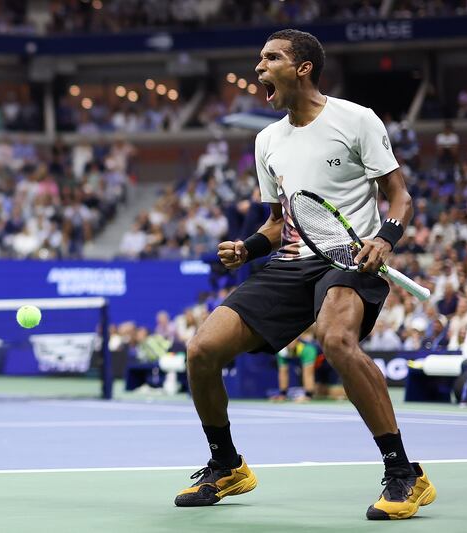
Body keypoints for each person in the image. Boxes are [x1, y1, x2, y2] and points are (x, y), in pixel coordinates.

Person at [173, 29, 435, 520]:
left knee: (336, 340)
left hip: (352, 255)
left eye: (270, 58)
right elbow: (279, 223)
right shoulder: (267, 140)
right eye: (259, 58)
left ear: (303, 68)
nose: (259, 67)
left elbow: (400, 196)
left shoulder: (355, 119)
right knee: (202, 350)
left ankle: (405, 474)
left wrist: (385, 238)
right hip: (293, 260)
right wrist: (246, 248)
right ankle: (227, 465)